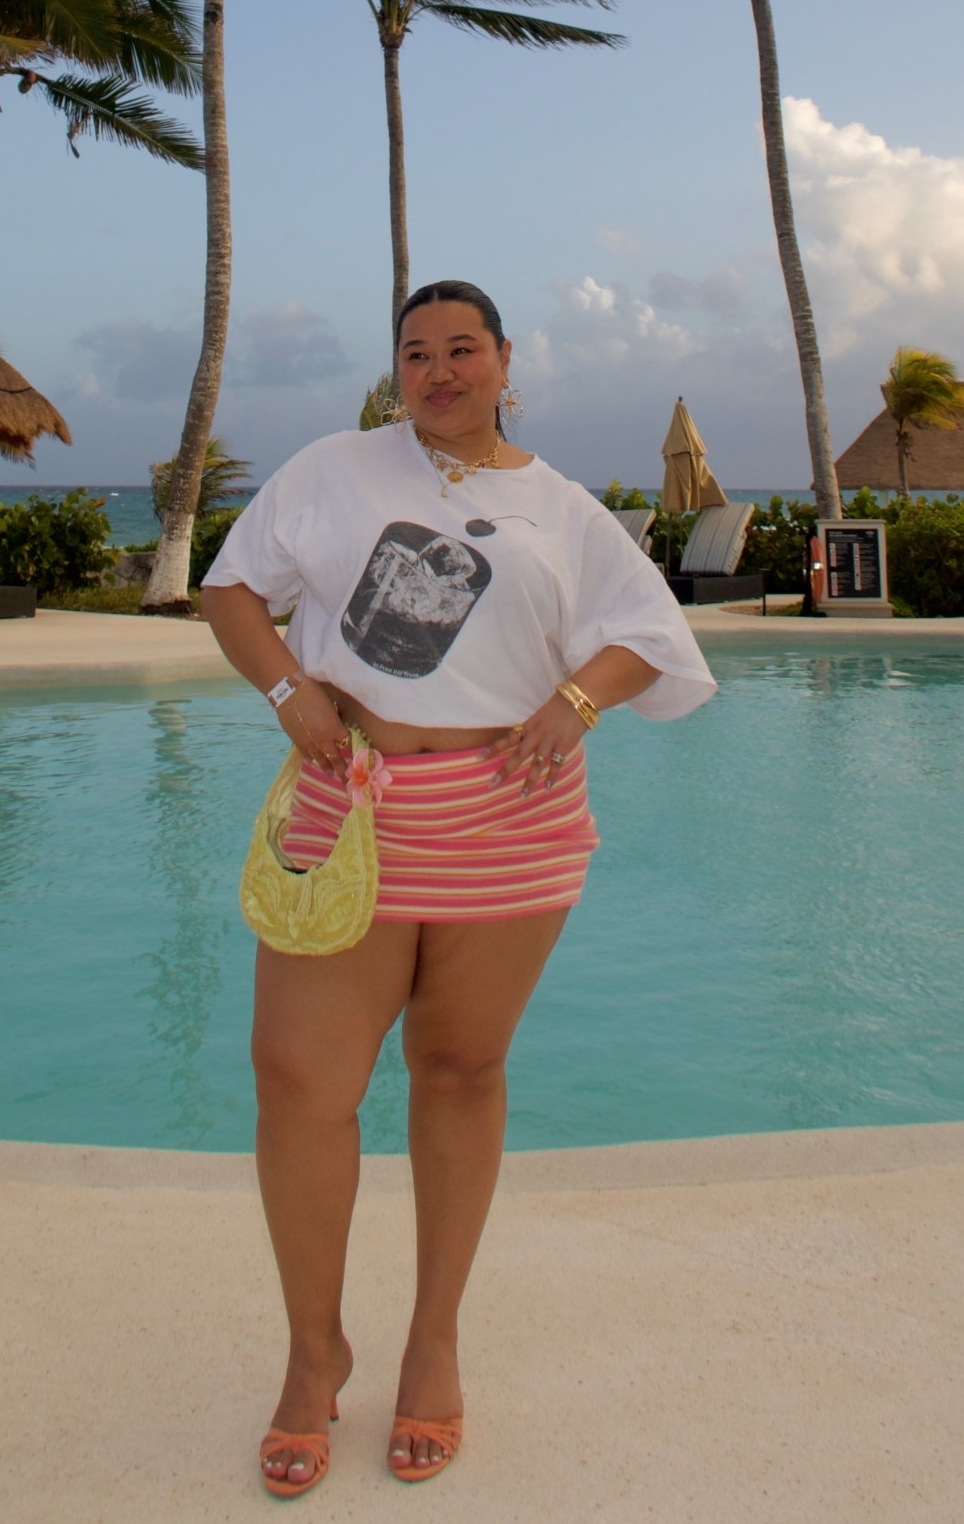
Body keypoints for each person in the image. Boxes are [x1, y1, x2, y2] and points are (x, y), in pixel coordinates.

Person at [202, 279, 717, 1498]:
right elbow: (230, 590)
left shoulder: (558, 504)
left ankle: (433, 1344)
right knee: (299, 1080)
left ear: (502, 362)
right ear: (396, 370)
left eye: (461, 349)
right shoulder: (334, 467)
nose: (438, 370)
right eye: (416, 352)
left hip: (510, 816)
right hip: (352, 796)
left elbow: (650, 634)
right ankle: (313, 1348)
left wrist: (575, 699)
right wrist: (290, 690)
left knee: (460, 1068)